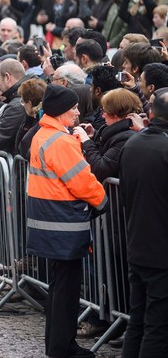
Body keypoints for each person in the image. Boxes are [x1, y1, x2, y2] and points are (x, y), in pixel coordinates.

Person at [26, 84, 107, 358]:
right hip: (64, 223)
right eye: (72, 108)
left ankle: (58, 344)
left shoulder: (45, 134)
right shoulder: (59, 140)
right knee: (66, 291)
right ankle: (62, 347)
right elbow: (82, 180)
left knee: (60, 287)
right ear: (60, 111)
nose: (76, 112)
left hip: (51, 221)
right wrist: (102, 201)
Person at [119, 87, 168, 357]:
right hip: (160, 252)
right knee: (157, 326)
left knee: (137, 319)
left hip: (137, 244)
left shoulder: (133, 143)